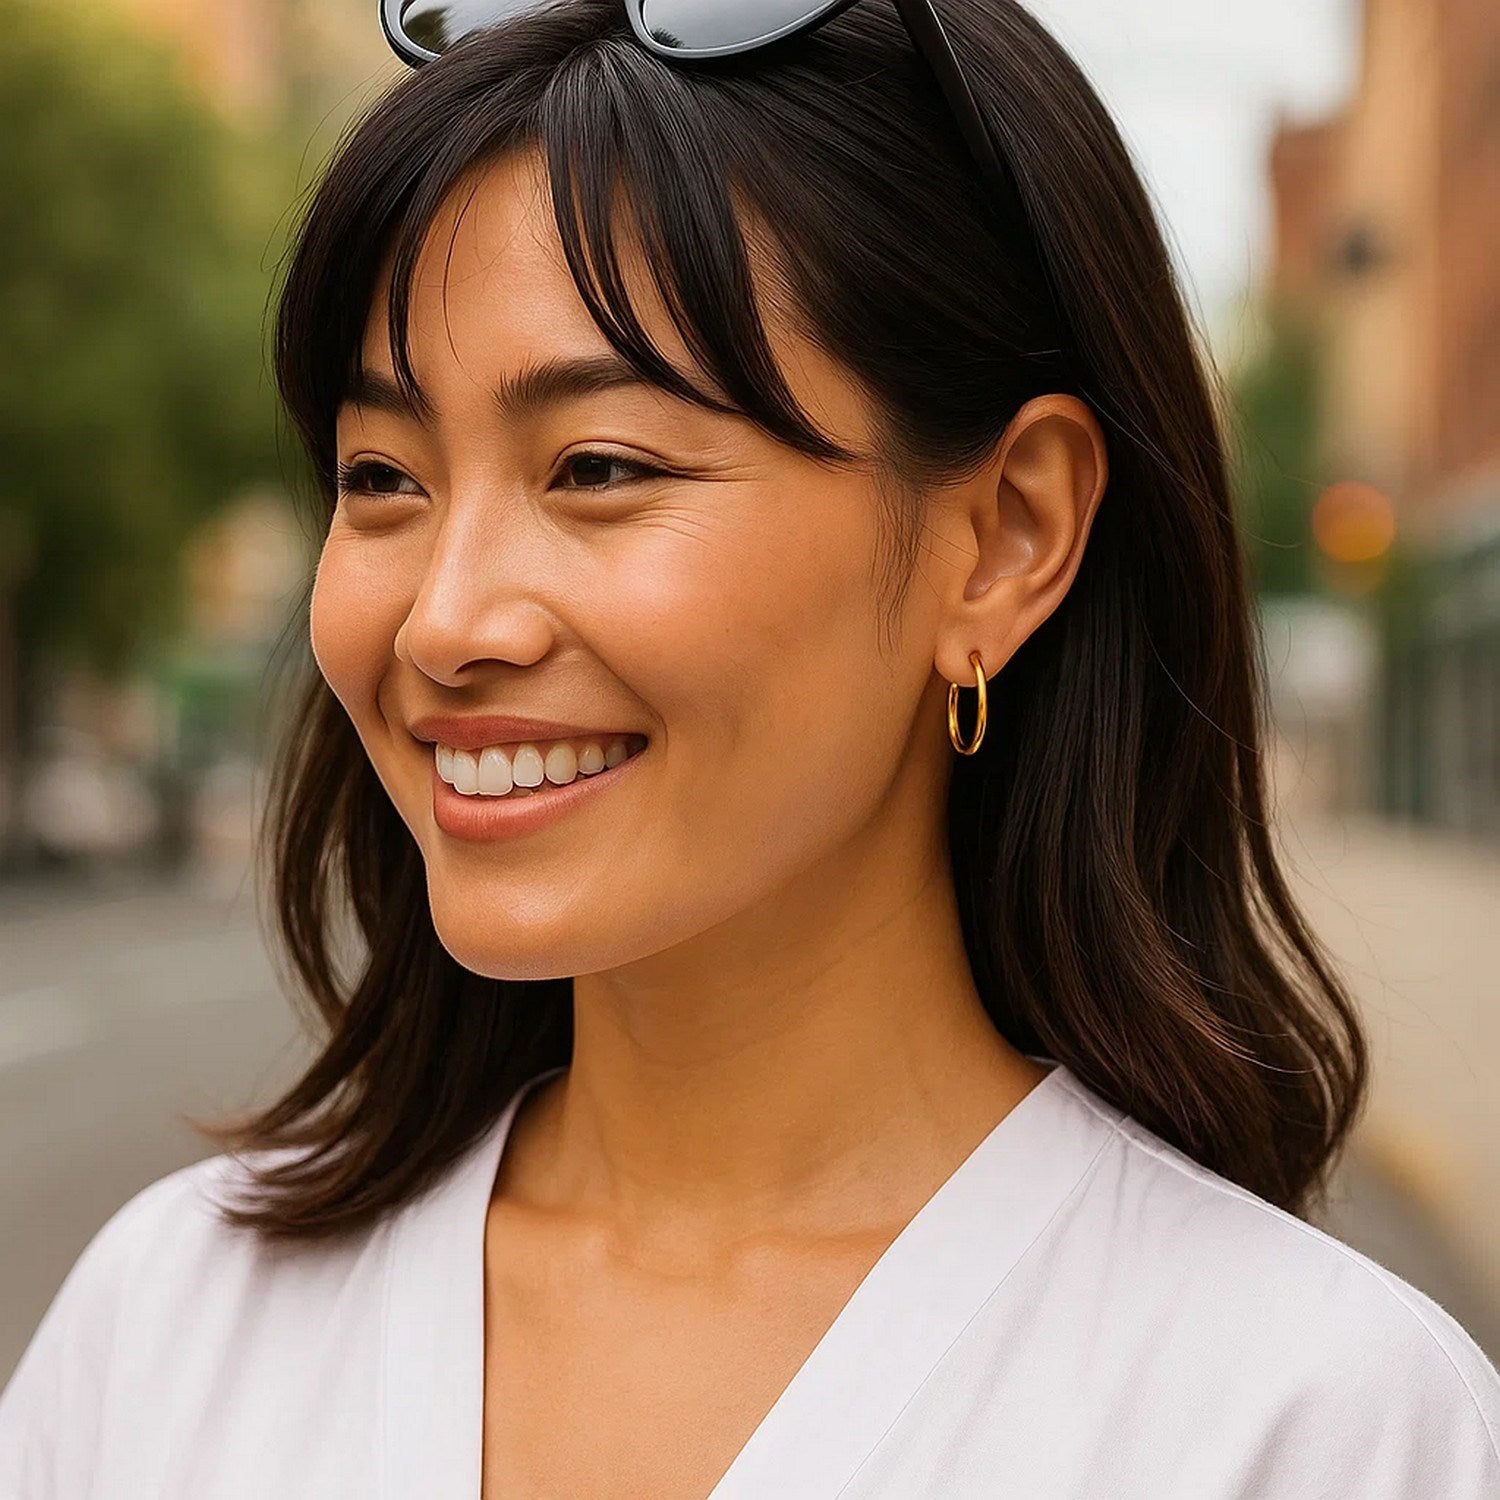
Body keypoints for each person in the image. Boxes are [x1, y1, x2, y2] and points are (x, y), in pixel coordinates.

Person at [3, 0, 1498, 1494]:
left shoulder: (1313, 1425)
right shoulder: (163, 1339)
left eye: (598, 467)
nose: (445, 622)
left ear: (1006, 536)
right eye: (382, 475)